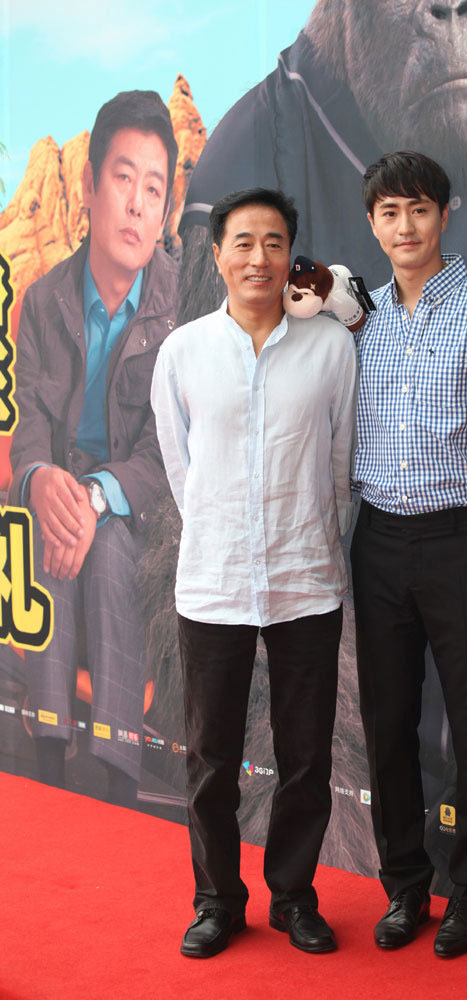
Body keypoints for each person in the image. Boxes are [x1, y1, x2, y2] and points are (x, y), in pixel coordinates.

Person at [150, 188, 357, 957]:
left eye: (273, 242)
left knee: (305, 759)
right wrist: (223, 532)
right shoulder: (184, 352)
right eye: (242, 242)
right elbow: (182, 469)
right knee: (211, 759)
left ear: (291, 254)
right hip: (214, 584)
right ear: (216, 256)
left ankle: (294, 897)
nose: (258, 258)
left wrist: (314, 537)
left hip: (307, 581)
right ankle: (216, 902)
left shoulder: (329, 348)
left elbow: (340, 465)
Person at [351, 151, 467, 957]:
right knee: (386, 721)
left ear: (444, 213)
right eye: (389, 213)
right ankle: (404, 886)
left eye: (418, 210)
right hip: (376, 539)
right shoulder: (359, 318)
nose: (405, 227)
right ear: (372, 224)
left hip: (462, 539)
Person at [9, 90, 179, 807]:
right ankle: (48, 760)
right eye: (123, 177)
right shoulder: (43, 300)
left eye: (154, 189)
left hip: (139, 514)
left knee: (103, 545)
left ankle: (118, 783)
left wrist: (95, 498)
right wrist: (39, 479)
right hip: (63, 499)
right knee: (44, 525)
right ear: (87, 185)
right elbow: (29, 427)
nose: (136, 205)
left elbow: (166, 453)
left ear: (165, 211)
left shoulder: (181, 309)